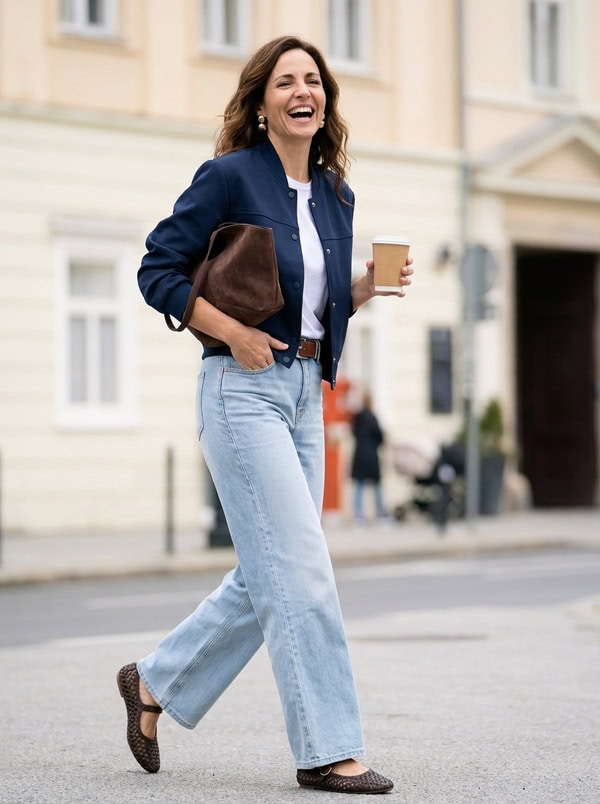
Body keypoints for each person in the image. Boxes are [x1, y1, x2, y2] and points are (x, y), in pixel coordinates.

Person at [117, 35, 413, 795]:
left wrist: (366, 288)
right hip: (240, 388)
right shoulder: (227, 178)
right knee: (302, 571)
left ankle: (152, 684)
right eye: (285, 81)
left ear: (325, 102)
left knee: (269, 574)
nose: (301, 90)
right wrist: (234, 332)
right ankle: (328, 749)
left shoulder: (335, 193)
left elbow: (310, 295)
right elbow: (158, 270)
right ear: (262, 102)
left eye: (312, 79)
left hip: (305, 391)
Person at [350, 391, 388, 523]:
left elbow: (353, 433)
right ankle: (381, 513)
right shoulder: (373, 418)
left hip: (359, 454)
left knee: (359, 486)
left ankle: (358, 515)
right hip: (372, 456)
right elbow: (381, 438)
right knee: (377, 486)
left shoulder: (357, 417)